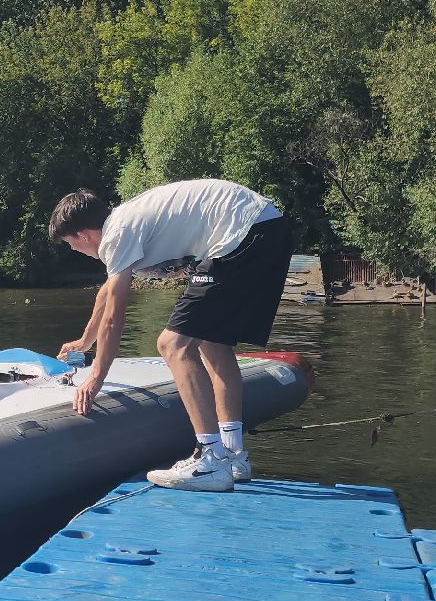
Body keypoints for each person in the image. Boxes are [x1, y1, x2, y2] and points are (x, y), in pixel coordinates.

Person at [49, 180, 292, 492]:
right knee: (212, 342)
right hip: (266, 227)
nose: (74, 251)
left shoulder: (115, 235)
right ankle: (233, 456)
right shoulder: (126, 223)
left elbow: (114, 316)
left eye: (71, 244)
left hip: (240, 233)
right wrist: (84, 342)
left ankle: (209, 459)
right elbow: (107, 295)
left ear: (84, 235)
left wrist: (95, 377)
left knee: (172, 344)